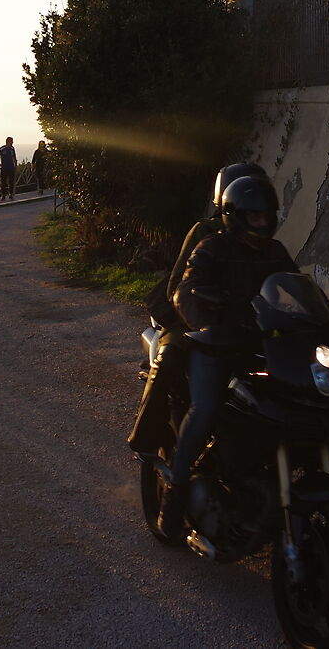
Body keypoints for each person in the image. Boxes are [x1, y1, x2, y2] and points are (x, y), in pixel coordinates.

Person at [159, 172, 297, 534]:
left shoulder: (276, 252)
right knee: (204, 408)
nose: (261, 223)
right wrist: (207, 325)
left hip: (260, 344)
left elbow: (295, 288)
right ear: (235, 216)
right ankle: (175, 490)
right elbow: (185, 291)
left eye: (266, 216)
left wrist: (322, 319)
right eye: (254, 216)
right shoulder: (211, 248)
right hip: (216, 344)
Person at [127, 161, 265, 456]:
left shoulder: (262, 233)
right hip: (190, 316)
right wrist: (203, 314)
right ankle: (144, 438)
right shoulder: (205, 230)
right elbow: (177, 284)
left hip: (241, 321)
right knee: (170, 357)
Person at [0, 136, 17, 202]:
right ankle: (3, 195)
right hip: (4, 168)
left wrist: (15, 165)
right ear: (8, 141)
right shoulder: (1, 149)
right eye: (11, 141)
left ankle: (11, 194)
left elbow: (14, 157)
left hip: (11, 167)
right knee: (3, 182)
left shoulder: (12, 148)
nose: (12, 142)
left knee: (11, 182)